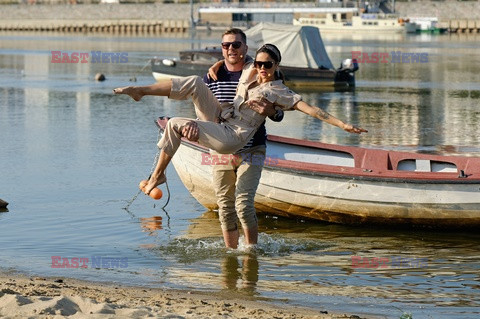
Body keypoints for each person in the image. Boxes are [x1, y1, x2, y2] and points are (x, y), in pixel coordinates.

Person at [113, 43, 367, 225]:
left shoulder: (280, 91)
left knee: (175, 123)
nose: (261, 68)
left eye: (267, 65)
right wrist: (218, 62)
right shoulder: (249, 70)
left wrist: (342, 125)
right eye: (258, 63)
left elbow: (311, 110)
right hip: (221, 119)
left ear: (276, 65)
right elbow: (233, 57)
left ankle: (157, 176)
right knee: (194, 82)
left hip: (233, 136)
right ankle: (141, 90)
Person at [181, 28, 283, 249]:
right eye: (226, 45)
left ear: (245, 48)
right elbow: (204, 111)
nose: (230, 49)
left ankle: (251, 252)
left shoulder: (258, 73)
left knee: (244, 204)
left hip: (252, 149)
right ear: (221, 49)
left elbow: (282, 105)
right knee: (225, 206)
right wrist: (192, 126)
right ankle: (231, 254)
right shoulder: (212, 76)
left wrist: (273, 112)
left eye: (236, 45)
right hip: (220, 151)